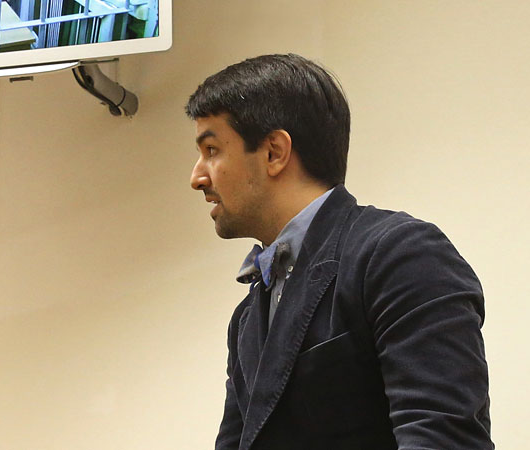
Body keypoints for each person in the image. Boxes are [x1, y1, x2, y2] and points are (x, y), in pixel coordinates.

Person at [186, 54, 493, 450]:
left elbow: (443, 439)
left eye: (211, 149)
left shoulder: (400, 254)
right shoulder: (246, 318)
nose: (197, 177)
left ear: (274, 153)